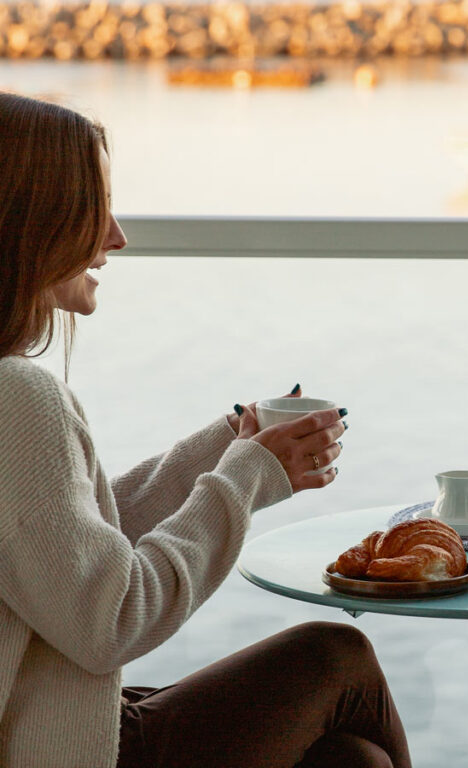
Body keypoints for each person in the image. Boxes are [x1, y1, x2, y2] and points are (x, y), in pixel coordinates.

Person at [0, 92, 412, 768]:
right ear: (30, 220)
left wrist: (230, 445)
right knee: (337, 657)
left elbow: (69, 549)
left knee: (351, 762)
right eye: (93, 208)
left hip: (53, 718)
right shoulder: (18, 396)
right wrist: (245, 478)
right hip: (58, 748)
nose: (116, 237)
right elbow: (111, 619)